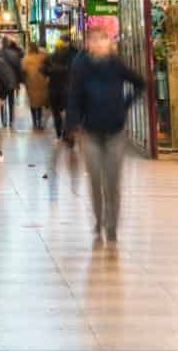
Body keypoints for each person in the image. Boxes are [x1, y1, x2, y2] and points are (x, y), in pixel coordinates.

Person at [65, 28, 145, 244]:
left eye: (103, 39)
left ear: (109, 43)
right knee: (95, 179)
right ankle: (98, 219)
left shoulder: (117, 65)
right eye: (94, 40)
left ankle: (112, 226)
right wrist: (71, 127)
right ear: (88, 44)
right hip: (90, 131)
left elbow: (140, 83)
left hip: (115, 131)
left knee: (112, 180)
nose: (99, 44)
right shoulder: (81, 66)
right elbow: (73, 96)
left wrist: (124, 105)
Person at [43, 36, 77, 138]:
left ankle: (60, 133)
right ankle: (67, 133)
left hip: (55, 87)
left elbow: (43, 70)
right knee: (67, 111)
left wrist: (52, 70)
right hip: (67, 87)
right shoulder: (74, 54)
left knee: (56, 112)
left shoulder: (51, 56)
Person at [22, 42, 50, 131]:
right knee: (40, 102)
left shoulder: (26, 58)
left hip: (30, 82)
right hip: (42, 82)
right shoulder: (43, 56)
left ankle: (34, 122)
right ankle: (40, 121)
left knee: (33, 103)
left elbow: (23, 69)